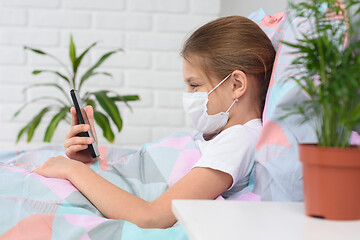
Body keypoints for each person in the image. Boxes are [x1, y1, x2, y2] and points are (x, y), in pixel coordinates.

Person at [34, 16, 276, 229]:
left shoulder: (239, 139)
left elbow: (152, 217)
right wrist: (91, 162)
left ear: (236, 84)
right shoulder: (219, 130)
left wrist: (73, 170)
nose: (189, 95)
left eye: (195, 85)